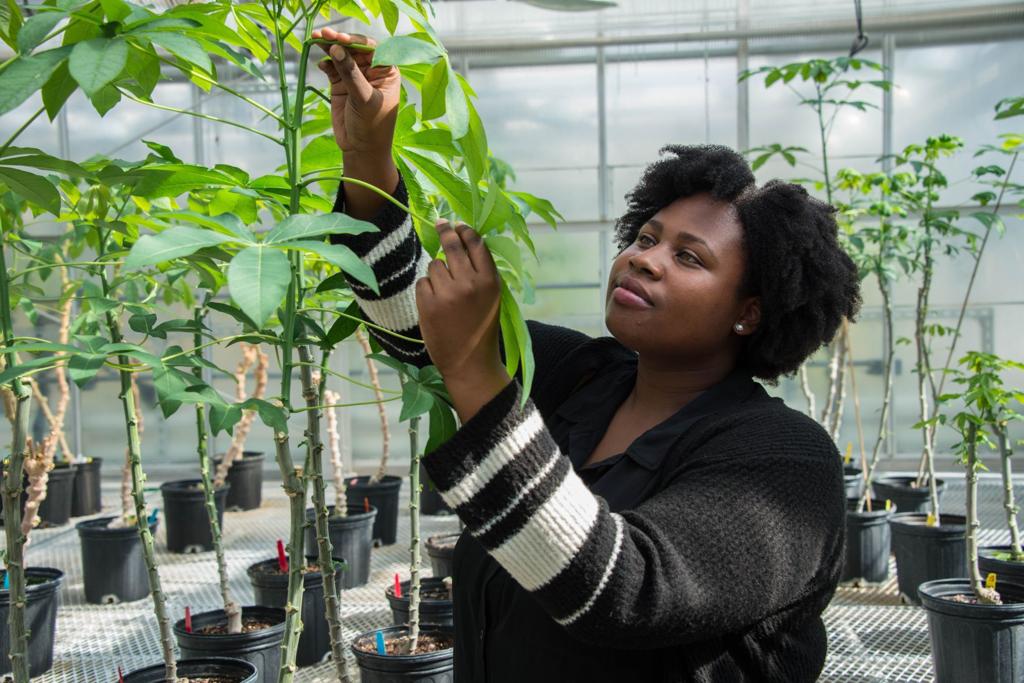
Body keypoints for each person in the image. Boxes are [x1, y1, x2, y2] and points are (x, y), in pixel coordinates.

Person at [314, 27, 860, 683]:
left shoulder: (786, 459)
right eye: (648, 237)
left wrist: (477, 374)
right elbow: (413, 330)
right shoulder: (582, 376)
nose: (644, 258)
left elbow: (626, 591)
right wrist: (370, 159)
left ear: (750, 311)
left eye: (688, 256)